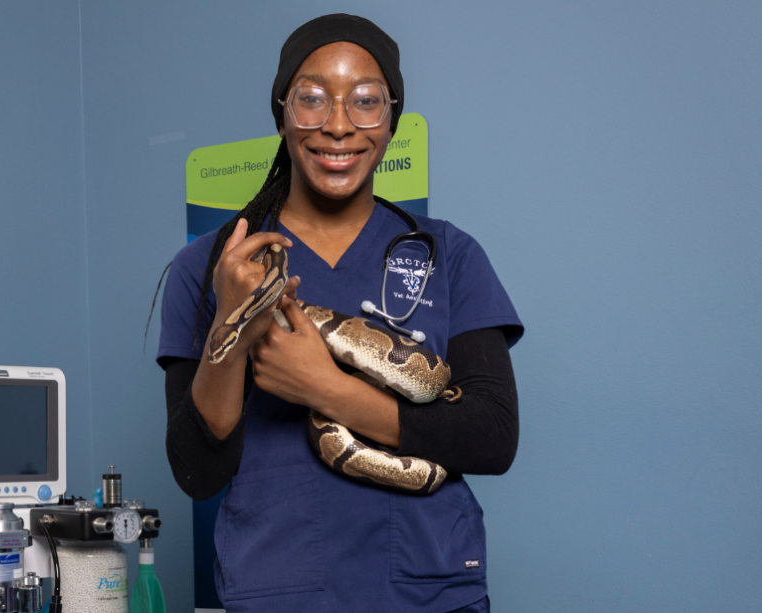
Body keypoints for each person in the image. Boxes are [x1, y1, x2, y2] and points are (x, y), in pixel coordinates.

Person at [157, 14, 522, 613]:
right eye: (312, 99)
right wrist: (230, 321)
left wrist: (324, 387)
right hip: (278, 590)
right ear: (282, 112)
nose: (337, 125)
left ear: (391, 119)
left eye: (365, 102)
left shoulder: (447, 254)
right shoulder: (212, 265)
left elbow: (492, 438)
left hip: (430, 591)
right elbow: (198, 473)